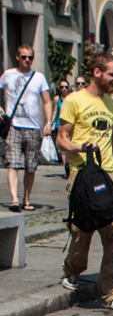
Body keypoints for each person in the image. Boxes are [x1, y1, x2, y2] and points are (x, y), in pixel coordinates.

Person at [56, 52, 113, 310]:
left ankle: (111, 293)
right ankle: (73, 269)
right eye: (112, 74)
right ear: (97, 73)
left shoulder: (111, 104)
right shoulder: (74, 100)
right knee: (82, 229)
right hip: (81, 172)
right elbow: (61, 139)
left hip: (107, 173)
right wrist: (80, 146)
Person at [0, 45, 53, 211]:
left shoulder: (39, 77)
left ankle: (26, 200)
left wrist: (49, 121)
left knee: (31, 166)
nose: (27, 60)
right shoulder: (8, 74)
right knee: (13, 163)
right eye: (24, 57)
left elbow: (47, 101)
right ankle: (14, 199)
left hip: (33, 127)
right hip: (14, 126)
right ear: (17, 57)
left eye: (30, 57)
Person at [53, 80, 71, 176]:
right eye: (62, 87)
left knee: (69, 147)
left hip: (69, 125)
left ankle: (70, 166)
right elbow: (54, 112)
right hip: (59, 125)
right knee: (63, 148)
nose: (64, 89)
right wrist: (50, 124)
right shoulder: (57, 99)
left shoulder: (72, 97)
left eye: (66, 87)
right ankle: (66, 167)